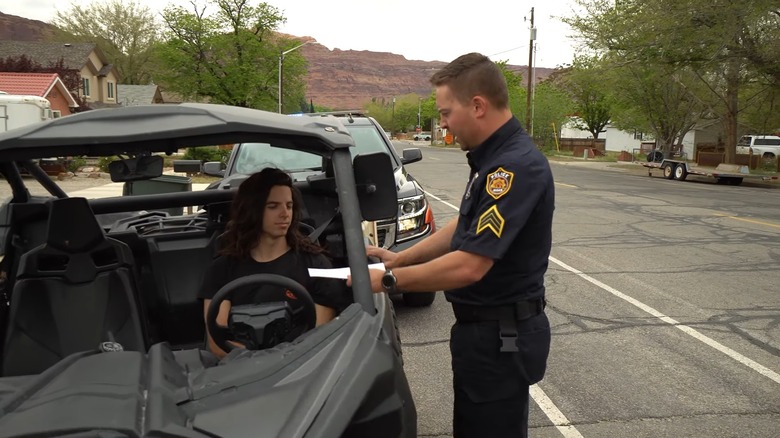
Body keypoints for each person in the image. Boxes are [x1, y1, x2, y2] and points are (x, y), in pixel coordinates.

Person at [358, 53, 555, 437]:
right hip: (486, 337)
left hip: (502, 339)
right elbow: (464, 228)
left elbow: (470, 265)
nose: (444, 123)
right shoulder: (491, 159)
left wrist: (386, 282)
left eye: (446, 113)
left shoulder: (512, 167)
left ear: (477, 106)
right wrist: (397, 260)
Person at [198, 168, 351, 358]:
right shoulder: (222, 269)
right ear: (252, 210)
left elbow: (319, 337)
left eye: (289, 205)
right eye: (273, 206)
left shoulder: (315, 264)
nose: (284, 213)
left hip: (305, 372)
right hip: (238, 371)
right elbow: (218, 342)